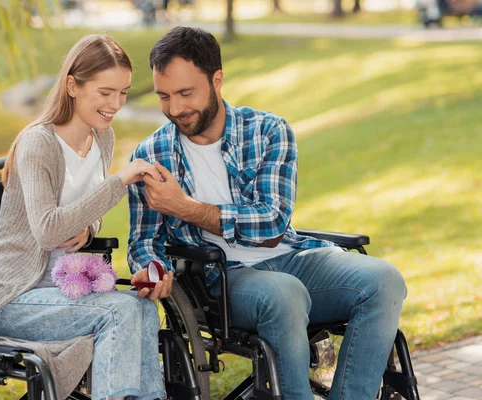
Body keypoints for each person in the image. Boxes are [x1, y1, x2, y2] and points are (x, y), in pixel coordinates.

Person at [127, 26, 407, 400]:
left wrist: (184, 208)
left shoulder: (269, 131)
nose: (175, 108)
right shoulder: (151, 155)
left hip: (292, 257)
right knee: (285, 294)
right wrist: (151, 267)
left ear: (217, 79)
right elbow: (144, 240)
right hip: (223, 280)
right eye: (164, 96)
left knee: (384, 280)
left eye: (185, 93)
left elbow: (273, 223)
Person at [0, 34, 172, 400]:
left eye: (123, 93)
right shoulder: (38, 143)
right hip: (8, 295)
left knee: (140, 309)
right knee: (118, 311)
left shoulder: (101, 138)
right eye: (106, 92)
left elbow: (85, 210)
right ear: (72, 85)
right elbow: (47, 231)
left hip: (61, 288)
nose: (116, 104)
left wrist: (89, 227)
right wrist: (119, 181)